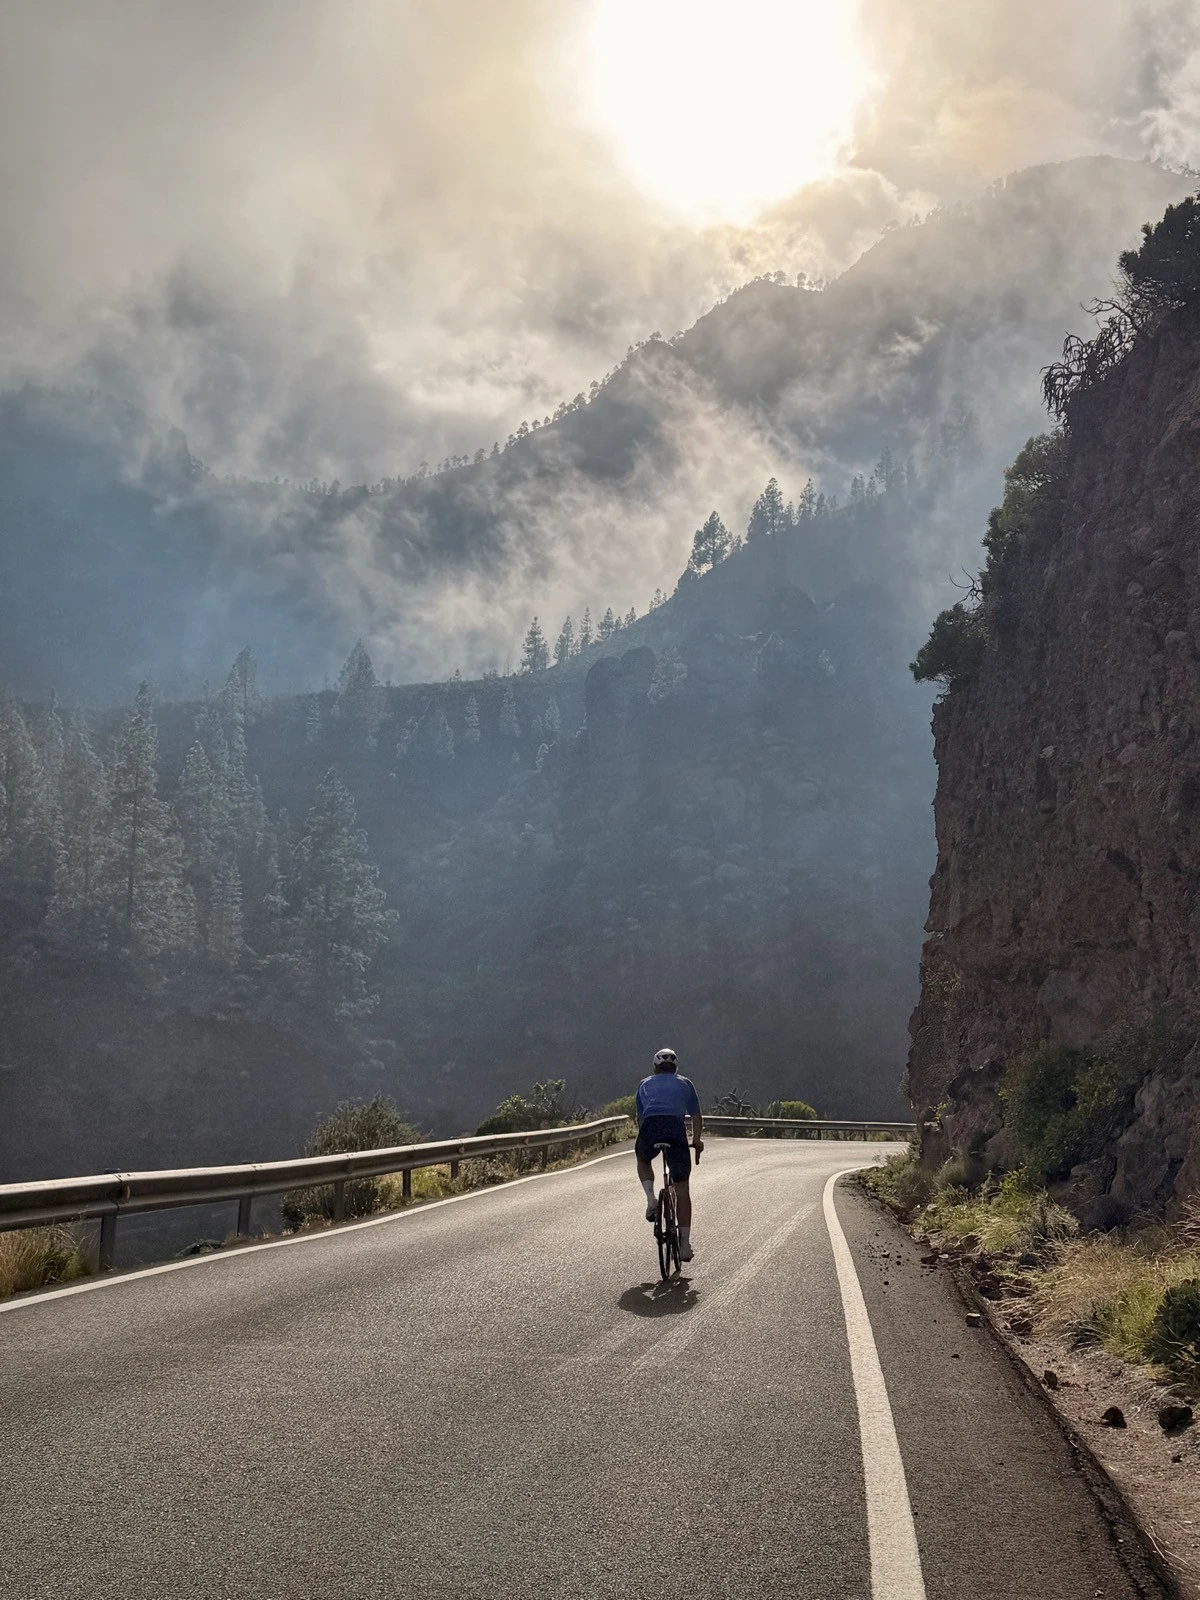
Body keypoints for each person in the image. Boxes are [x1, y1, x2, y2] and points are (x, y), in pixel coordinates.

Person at [635, 1047, 704, 1261]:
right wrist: (696, 1141)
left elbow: (640, 1118)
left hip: (650, 1127)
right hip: (675, 1129)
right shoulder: (685, 1083)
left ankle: (651, 1199)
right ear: (675, 1068)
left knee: (643, 1159)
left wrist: (646, 1141)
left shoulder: (644, 1084)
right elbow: (696, 1116)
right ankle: (684, 1245)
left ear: (655, 1067)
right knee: (682, 1190)